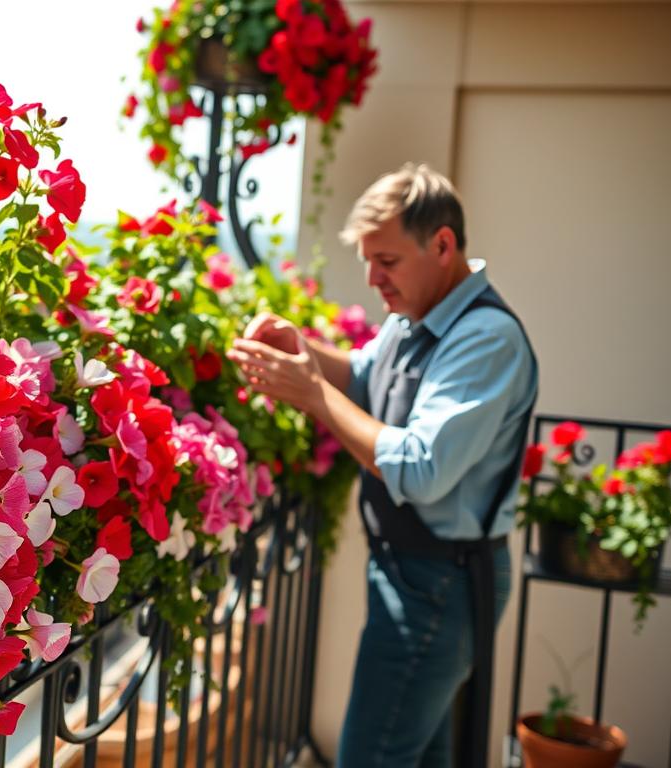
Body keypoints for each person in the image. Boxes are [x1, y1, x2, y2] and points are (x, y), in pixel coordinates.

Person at [227, 163, 538, 767]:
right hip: (417, 574)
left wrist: (313, 393)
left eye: (387, 262)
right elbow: (367, 377)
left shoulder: (486, 339)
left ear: (442, 245)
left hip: (439, 584)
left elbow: (420, 469)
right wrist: (300, 348)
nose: (372, 279)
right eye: (370, 261)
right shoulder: (419, 316)